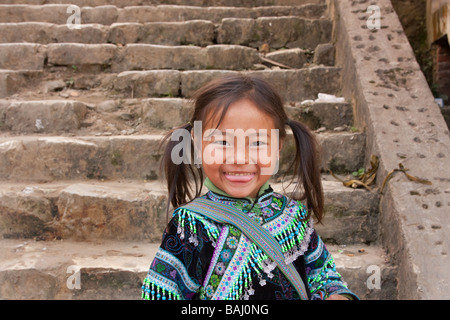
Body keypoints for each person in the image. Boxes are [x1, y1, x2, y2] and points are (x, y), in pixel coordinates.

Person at [141, 74, 358, 300]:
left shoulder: (295, 218)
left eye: (257, 143)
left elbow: (324, 276)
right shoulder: (190, 226)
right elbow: (161, 293)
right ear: (196, 142)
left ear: (278, 146)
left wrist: (336, 296)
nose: (240, 158)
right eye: (222, 142)